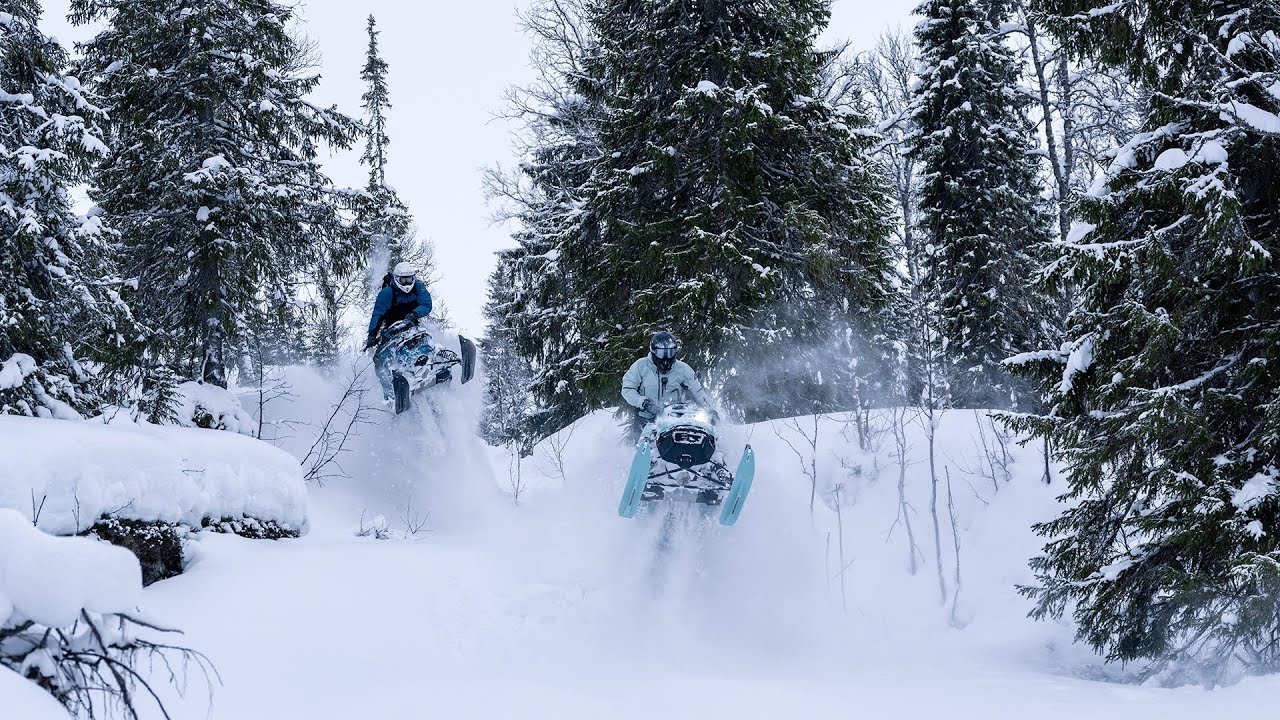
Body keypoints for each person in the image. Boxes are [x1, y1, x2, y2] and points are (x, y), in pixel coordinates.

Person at [620, 331, 716, 440]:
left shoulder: (683, 369)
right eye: (661, 353)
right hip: (646, 418)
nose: (665, 358)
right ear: (653, 352)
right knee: (644, 445)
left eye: (670, 353)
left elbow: (698, 391)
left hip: (674, 420)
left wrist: (710, 410)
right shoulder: (641, 366)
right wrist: (643, 402)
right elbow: (627, 389)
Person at [365, 262, 433, 400]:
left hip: (412, 325)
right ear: (396, 278)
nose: (407, 283)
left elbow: (427, 304)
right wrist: (372, 334)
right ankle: (390, 394)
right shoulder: (387, 293)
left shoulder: (418, 287)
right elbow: (377, 314)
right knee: (380, 359)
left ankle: (433, 364)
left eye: (409, 279)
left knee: (424, 340)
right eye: (403, 279)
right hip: (391, 329)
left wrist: (415, 313)